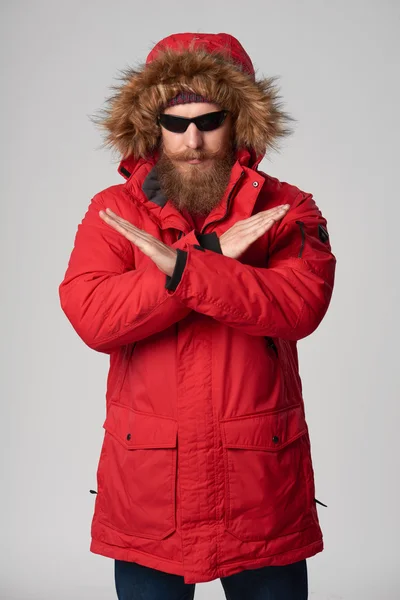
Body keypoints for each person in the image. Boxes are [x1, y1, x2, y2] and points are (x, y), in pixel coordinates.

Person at [59, 32, 336, 599]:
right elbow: (92, 315)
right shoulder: (114, 212)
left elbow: (300, 304)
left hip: (259, 489)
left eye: (210, 121)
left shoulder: (288, 209)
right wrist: (208, 259)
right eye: (175, 122)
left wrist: (181, 271)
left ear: (238, 122)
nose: (192, 140)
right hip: (149, 492)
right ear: (150, 125)